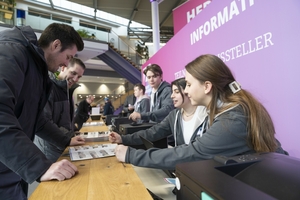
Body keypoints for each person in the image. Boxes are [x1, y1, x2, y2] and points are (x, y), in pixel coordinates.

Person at [113, 54, 286, 170]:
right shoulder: (230, 111)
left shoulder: (232, 119)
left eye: (188, 84)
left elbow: (192, 154)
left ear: (207, 86)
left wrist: (131, 155)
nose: (185, 91)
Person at [0, 23, 84, 199]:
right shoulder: (11, 53)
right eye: (68, 57)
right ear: (55, 45)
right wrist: (39, 166)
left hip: (13, 166)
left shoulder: (38, 71)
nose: (66, 64)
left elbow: (37, 120)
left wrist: (66, 139)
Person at [110, 78, 207, 169]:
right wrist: (123, 138)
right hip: (183, 169)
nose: (172, 96)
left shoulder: (206, 116)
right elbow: (152, 132)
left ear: (188, 92)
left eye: (176, 92)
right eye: (172, 92)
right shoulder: (174, 115)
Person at [34, 57, 87, 163]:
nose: (76, 79)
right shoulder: (48, 87)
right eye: (73, 73)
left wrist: (73, 133)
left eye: (79, 76)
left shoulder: (68, 90)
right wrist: (68, 138)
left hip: (62, 145)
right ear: (63, 68)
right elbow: (44, 122)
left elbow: (64, 119)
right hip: (50, 150)